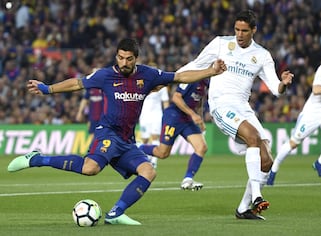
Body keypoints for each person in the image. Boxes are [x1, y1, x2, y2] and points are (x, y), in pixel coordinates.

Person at [7, 38, 227, 225]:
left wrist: (211, 71)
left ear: (136, 58)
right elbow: (77, 83)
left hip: (127, 140)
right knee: (91, 168)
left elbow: (179, 77)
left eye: (128, 58)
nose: (123, 62)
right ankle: (37, 159)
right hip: (108, 132)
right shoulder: (105, 76)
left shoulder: (148, 75)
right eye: (120, 57)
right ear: (116, 56)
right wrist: (48, 89)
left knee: (149, 172)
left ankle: (116, 213)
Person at [176, 10, 294, 220]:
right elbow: (197, 64)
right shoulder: (220, 43)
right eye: (237, 29)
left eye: (244, 31)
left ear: (254, 30)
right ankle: (258, 196)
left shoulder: (262, 55)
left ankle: (243, 208)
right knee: (252, 138)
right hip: (221, 105)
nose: (239, 34)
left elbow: (276, 89)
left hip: (243, 107)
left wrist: (283, 84)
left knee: (266, 160)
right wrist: (169, 78)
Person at [267, 45, 321, 185]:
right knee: (293, 143)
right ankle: (273, 170)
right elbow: (317, 90)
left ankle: (320, 162)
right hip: (311, 113)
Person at [139, 79, 209, 191]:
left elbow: (199, 103)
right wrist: (193, 114)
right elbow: (176, 98)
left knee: (201, 147)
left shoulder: (205, 84)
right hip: (173, 117)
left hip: (187, 119)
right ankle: (138, 148)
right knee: (162, 153)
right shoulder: (192, 78)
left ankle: (188, 179)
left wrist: (199, 118)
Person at [138, 86, 169, 168]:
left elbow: (166, 102)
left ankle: (154, 161)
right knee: (145, 139)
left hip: (156, 115)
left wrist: (167, 116)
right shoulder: (142, 84)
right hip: (144, 115)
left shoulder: (162, 87)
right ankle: (146, 159)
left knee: (155, 137)